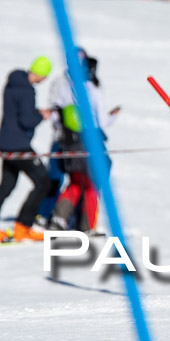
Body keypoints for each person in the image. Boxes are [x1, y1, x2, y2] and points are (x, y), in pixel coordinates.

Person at [45, 49, 119, 233]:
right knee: (93, 184)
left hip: (67, 143)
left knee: (76, 182)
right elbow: (101, 122)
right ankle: (86, 226)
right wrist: (113, 116)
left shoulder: (64, 87)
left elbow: (55, 118)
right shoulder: (93, 90)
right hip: (90, 143)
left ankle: (59, 218)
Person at [0, 56, 53, 242]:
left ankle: (24, 225)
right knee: (43, 181)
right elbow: (26, 120)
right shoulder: (27, 90)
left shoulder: (12, 83)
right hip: (19, 145)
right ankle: (24, 225)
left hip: (6, 143)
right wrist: (42, 115)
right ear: (40, 73)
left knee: (7, 185)